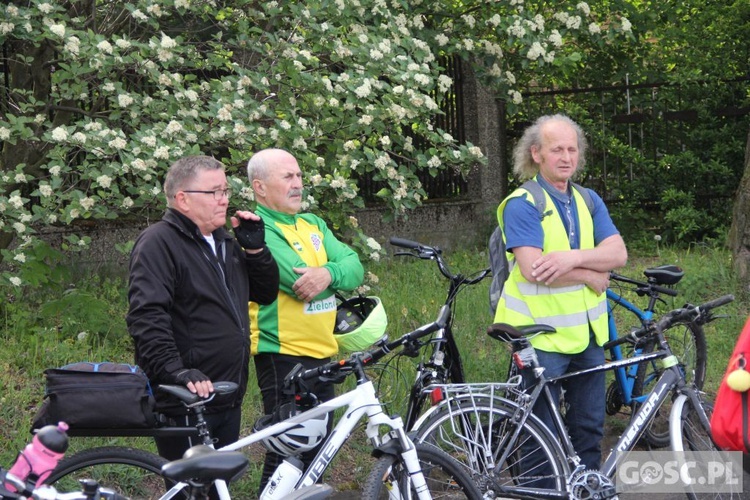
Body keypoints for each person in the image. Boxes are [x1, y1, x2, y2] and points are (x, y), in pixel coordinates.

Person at [493, 114, 628, 471]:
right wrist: (589, 275)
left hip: (587, 336)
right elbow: (534, 269)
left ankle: (586, 489)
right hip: (540, 338)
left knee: (588, 426)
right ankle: (543, 493)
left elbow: (618, 254)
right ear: (536, 153)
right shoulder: (522, 203)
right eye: (557, 150)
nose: (566, 157)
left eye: (572, 149)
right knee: (541, 432)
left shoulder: (587, 199)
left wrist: (572, 258)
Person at [126, 155, 280, 462]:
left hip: (226, 392)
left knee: (217, 487)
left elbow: (264, 294)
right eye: (214, 193)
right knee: (193, 489)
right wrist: (177, 371)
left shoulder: (224, 242)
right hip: (187, 397)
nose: (223, 200)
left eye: (225, 191)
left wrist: (256, 251)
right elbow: (146, 316)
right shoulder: (159, 242)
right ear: (183, 199)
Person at [246, 148, 364, 491]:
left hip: (321, 351)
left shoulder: (313, 223)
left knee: (317, 455)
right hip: (282, 353)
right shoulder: (259, 230)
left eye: (298, 176)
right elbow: (296, 282)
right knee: (289, 451)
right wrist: (331, 275)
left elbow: (355, 266)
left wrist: (327, 274)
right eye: (287, 177)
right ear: (260, 187)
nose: (298, 184)